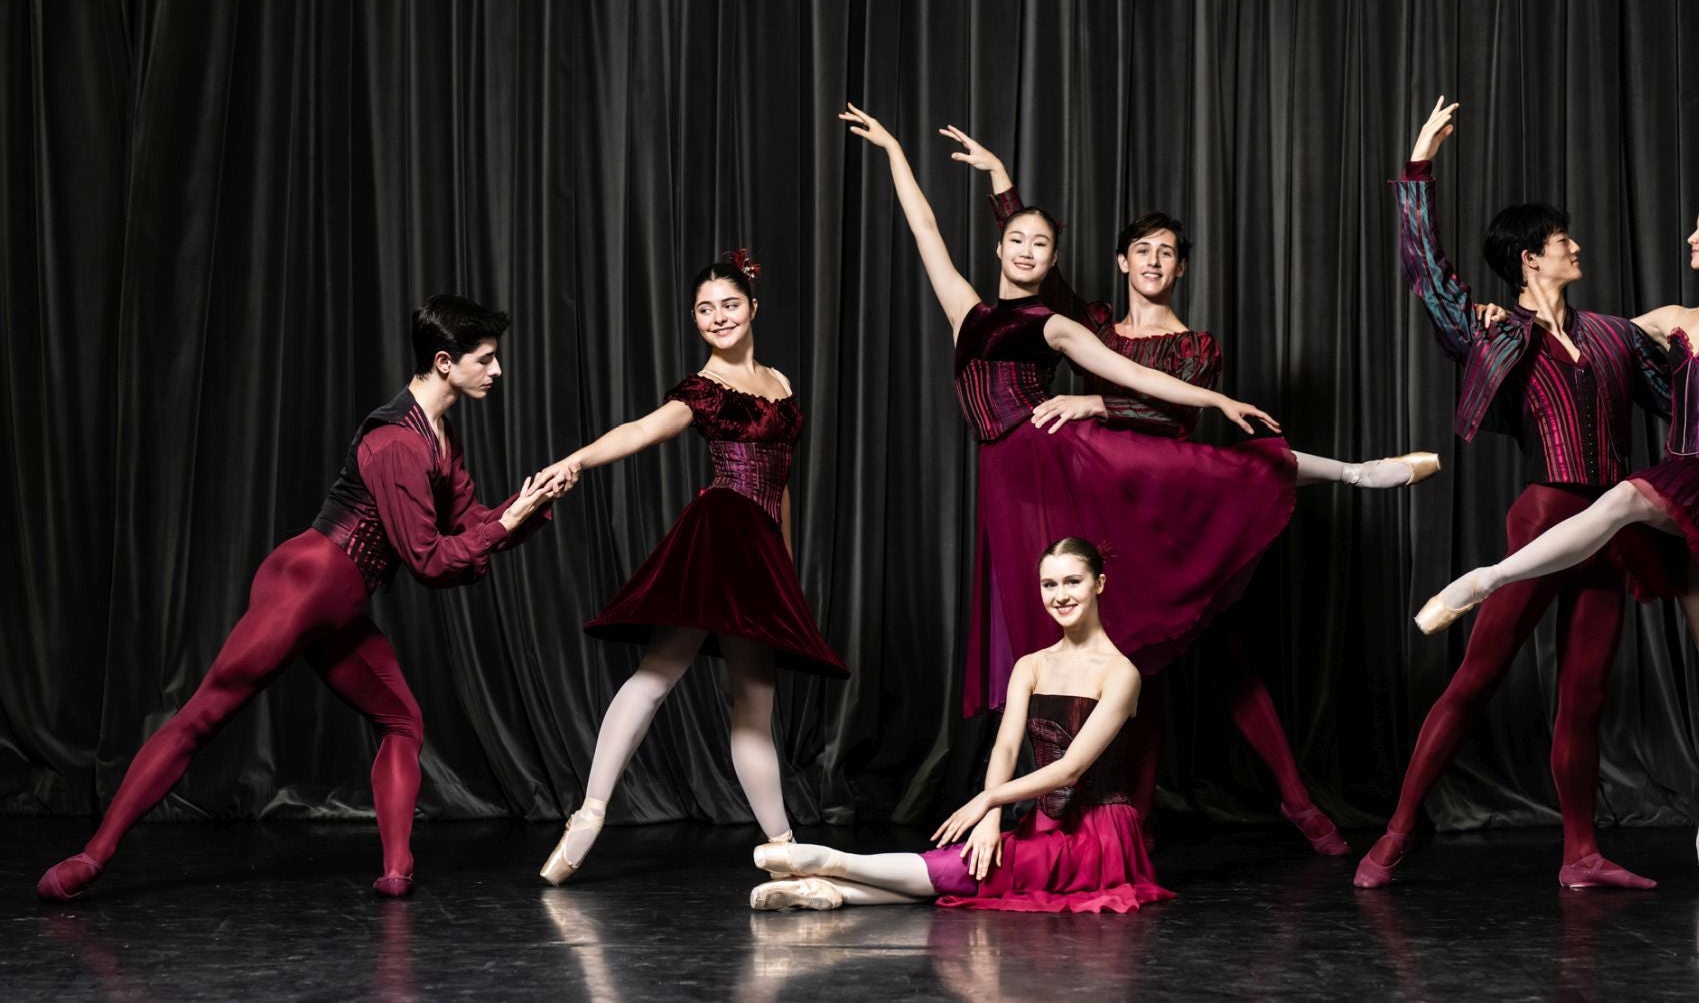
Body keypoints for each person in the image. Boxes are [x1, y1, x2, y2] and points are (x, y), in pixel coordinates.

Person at [842, 104, 1434, 734]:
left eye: (1041, 245)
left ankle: (1354, 473)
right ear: (998, 247)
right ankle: (1053, 758)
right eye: (1016, 241)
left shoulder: (1056, 324)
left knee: (1222, 467)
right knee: (1039, 611)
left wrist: (1216, 401)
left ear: (1053, 261)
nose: (1027, 250)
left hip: (1055, 450)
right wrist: (898, 152)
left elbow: (1139, 377)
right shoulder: (965, 309)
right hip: (1004, 474)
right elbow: (925, 229)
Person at [1414, 75, 1699, 892]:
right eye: (1694, 225)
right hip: (1669, 487)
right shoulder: (1661, 321)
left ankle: (1485, 581)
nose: (1690, 234)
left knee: (1633, 515)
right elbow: (1573, 338)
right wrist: (1498, 311)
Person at [936, 125, 1379, 854]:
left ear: (1180, 268)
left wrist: (1094, 402)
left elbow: (1171, 416)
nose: (1152, 261)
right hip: (1100, 507)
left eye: (1166, 252)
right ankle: (1129, 826)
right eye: (1141, 249)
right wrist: (999, 180)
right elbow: (1032, 271)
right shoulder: (1091, 325)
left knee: (1227, 659)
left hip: (1167, 511)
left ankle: (1298, 802)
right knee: (1132, 666)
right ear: (1122, 262)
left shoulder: (1196, 346)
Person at [36, 295, 565, 901]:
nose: (498, 371)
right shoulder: (397, 442)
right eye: (487, 359)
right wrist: (507, 522)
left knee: (402, 722)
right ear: (445, 362)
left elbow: (471, 526)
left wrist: (533, 500)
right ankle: (93, 857)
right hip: (305, 586)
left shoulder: (442, 439)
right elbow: (428, 560)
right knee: (202, 716)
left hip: (342, 607)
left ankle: (396, 873)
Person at [538, 253, 848, 886]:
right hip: (722, 531)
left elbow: (783, 485)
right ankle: (588, 815)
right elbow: (640, 431)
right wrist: (576, 461)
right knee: (658, 673)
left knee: (755, 704)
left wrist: (785, 566)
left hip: (761, 547)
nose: (718, 317)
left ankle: (783, 849)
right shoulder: (703, 389)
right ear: (694, 319)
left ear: (753, 309)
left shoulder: (780, 381)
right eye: (705, 309)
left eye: (729, 305)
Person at [748, 537, 1173, 913]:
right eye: (1049, 584)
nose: (1060, 595)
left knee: (972, 870)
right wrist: (991, 819)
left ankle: (833, 862)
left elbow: (1071, 769)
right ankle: (830, 891)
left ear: (1099, 583)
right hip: (1043, 823)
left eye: (1072, 582)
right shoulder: (1031, 665)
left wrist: (987, 801)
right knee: (979, 868)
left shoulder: (1120, 673)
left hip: (1099, 834)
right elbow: (1006, 748)